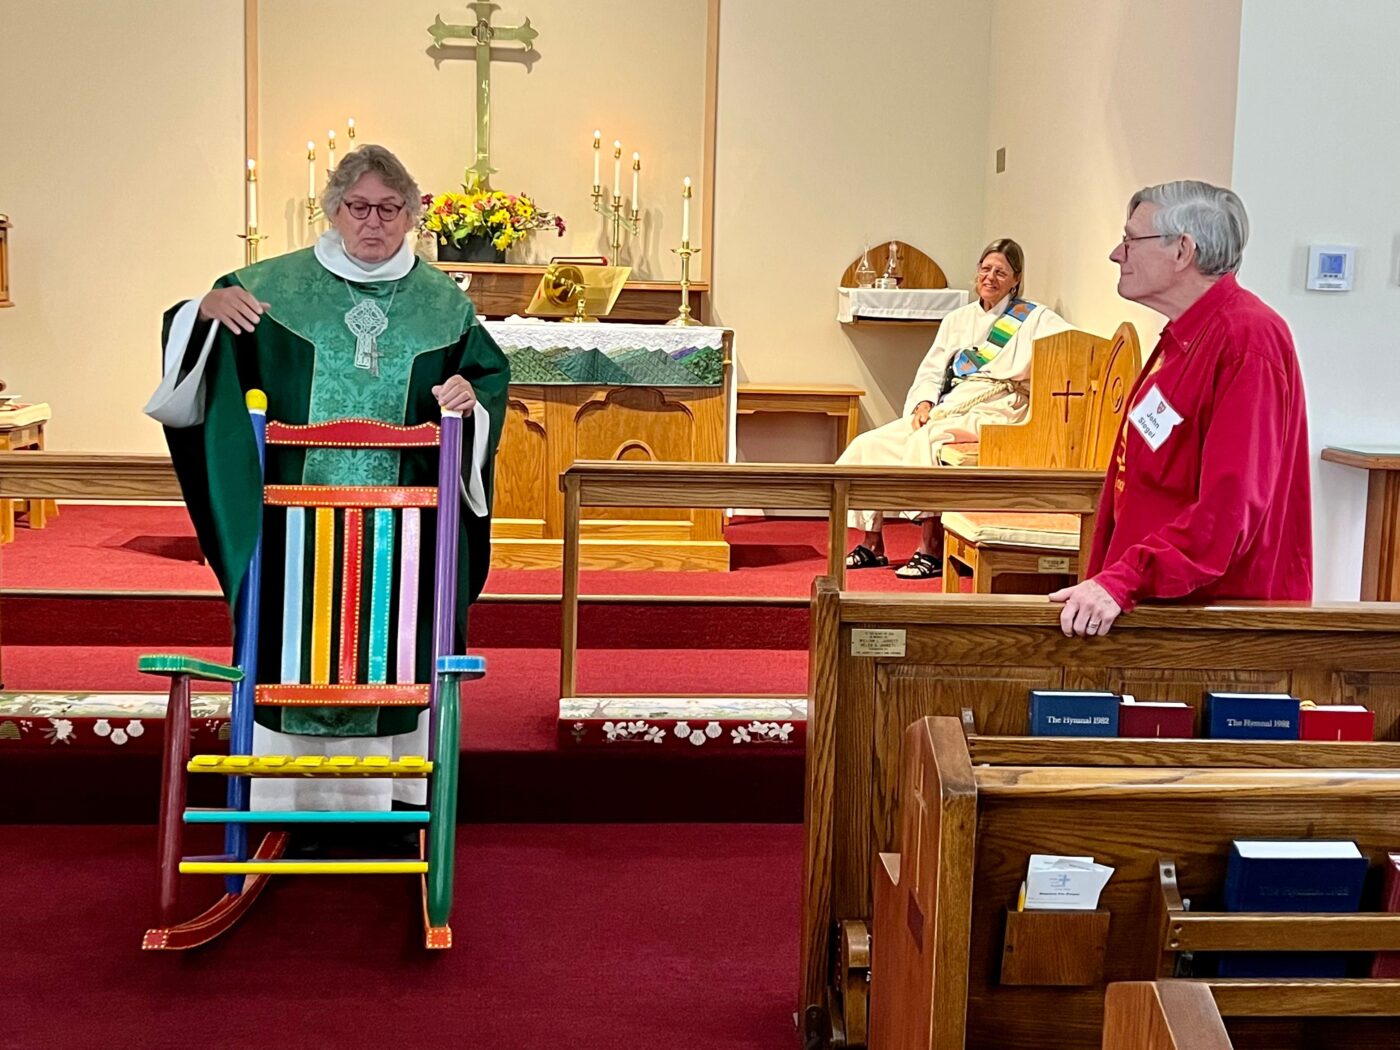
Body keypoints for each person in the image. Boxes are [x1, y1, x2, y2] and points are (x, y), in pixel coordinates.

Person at [145, 144, 510, 810]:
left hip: (406, 533)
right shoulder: (269, 289)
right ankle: (289, 796)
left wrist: (468, 399)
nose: (374, 222)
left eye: (390, 209)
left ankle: (397, 800)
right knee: (294, 635)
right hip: (295, 533)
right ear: (334, 210)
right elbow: (204, 364)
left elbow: (483, 382)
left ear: (412, 215)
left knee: (397, 641)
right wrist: (202, 311)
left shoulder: (442, 306)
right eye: (359, 207)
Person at [1050, 180, 1312, 638]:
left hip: (1209, 622)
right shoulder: (1184, 335)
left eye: (1131, 239)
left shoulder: (1247, 339)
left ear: (1182, 250)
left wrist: (1125, 579)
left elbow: (1228, 510)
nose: (1117, 253)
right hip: (1149, 602)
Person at [838, 239, 1070, 577]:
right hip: (953, 404)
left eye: (1000, 272)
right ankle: (873, 544)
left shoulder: (1034, 318)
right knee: (868, 445)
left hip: (998, 407)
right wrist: (923, 402)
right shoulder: (957, 318)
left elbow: (1076, 345)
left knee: (929, 441)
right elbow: (932, 369)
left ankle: (930, 547)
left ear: (1015, 279)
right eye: (986, 269)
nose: (990, 277)